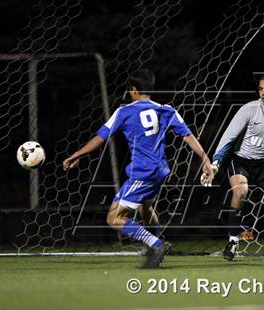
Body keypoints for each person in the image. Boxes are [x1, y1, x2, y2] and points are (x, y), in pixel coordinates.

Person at [63, 69, 214, 268]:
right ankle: (158, 243)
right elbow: (188, 136)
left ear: (133, 90)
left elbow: (100, 138)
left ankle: (156, 244)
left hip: (142, 173)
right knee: (145, 206)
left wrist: (76, 155)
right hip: (160, 171)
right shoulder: (166, 110)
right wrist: (205, 159)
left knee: (114, 218)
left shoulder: (124, 111)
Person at [200, 73, 264, 260]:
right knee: (240, 192)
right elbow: (228, 138)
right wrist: (216, 164)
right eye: (261, 89)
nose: (263, 92)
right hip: (241, 161)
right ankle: (232, 241)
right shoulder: (249, 109)